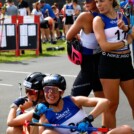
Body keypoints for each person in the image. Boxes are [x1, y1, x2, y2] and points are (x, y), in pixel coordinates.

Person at [93, 0, 134, 129]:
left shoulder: (122, 16)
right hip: (109, 64)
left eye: (101, 1)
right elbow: (104, 46)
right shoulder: (99, 20)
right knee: (112, 106)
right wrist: (125, 42)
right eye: (97, 2)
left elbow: (131, 34)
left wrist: (127, 28)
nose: (98, 4)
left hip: (126, 62)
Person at [33, 74, 110, 134]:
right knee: (47, 133)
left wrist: (87, 119)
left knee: (121, 130)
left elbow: (105, 102)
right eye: (47, 89)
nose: (50, 93)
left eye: (54, 90)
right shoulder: (45, 115)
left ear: (61, 92)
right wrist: (35, 116)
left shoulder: (73, 101)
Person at [66, 0, 104, 98]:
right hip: (101, 59)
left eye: (89, 0)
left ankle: (90, 114)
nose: (86, 2)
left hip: (88, 63)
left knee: (74, 99)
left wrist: (78, 36)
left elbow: (68, 36)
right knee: (102, 99)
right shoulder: (106, 15)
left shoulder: (85, 16)